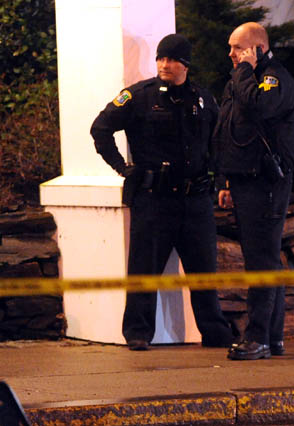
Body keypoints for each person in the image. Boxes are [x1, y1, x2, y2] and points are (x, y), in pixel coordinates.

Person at [90, 34, 234, 351]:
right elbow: (100, 129)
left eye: (171, 59)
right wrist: (123, 167)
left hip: (195, 199)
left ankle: (215, 332)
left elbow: (219, 144)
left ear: (186, 64)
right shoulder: (139, 96)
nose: (164, 65)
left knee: (203, 271)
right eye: (160, 58)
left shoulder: (202, 99)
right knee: (144, 269)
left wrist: (222, 181)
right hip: (154, 198)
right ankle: (139, 333)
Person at [214, 22, 294, 360]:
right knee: (262, 259)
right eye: (232, 47)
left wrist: (246, 72)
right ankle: (272, 338)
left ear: (258, 49)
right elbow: (226, 129)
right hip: (244, 179)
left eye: (238, 48)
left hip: (266, 183)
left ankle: (258, 338)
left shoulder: (273, 78)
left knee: (262, 261)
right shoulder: (243, 79)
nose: (232, 54)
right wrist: (225, 180)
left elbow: (259, 107)